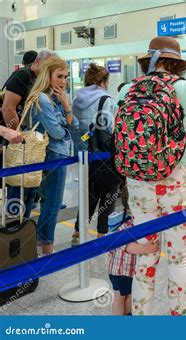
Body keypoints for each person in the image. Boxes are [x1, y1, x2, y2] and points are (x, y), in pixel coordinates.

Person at [127, 36, 186, 316]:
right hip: (177, 178)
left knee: (145, 257)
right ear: (176, 63)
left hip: (138, 180)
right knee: (178, 259)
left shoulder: (127, 88)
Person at [24, 56, 79, 255]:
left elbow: (75, 126)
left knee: (48, 201)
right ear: (47, 75)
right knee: (52, 202)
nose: (63, 81)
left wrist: (66, 105)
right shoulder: (43, 99)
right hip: (53, 155)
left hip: (55, 153)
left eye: (66, 76)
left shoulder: (54, 98)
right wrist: (68, 126)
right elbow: (60, 133)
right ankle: (46, 246)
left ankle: (41, 243)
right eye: (59, 76)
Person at [2, 49, 56, 219]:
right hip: (14, 138)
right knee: (18, 187)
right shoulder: (22, 76)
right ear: (37, 62)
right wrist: (19, 135)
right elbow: (8, 108)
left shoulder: (40, 80)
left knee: (29, 188)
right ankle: (12, 232)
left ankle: (23, 229)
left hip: (30, 140)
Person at [71, 63, 121, 245]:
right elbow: (108, 127)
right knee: (109, 191)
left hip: (84, 153)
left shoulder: (76, 99)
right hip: (103, 153)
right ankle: (102, 233)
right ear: (102, 81)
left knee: (88, 192)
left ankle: (77, 231)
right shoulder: (105, 99)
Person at [107, 186, 159, 315]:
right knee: (127, 296)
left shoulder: (124, 221)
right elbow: (129, 247)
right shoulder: (129, 225)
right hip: (123, 271)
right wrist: (147, 248)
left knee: (119, 295)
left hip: (116, 270)